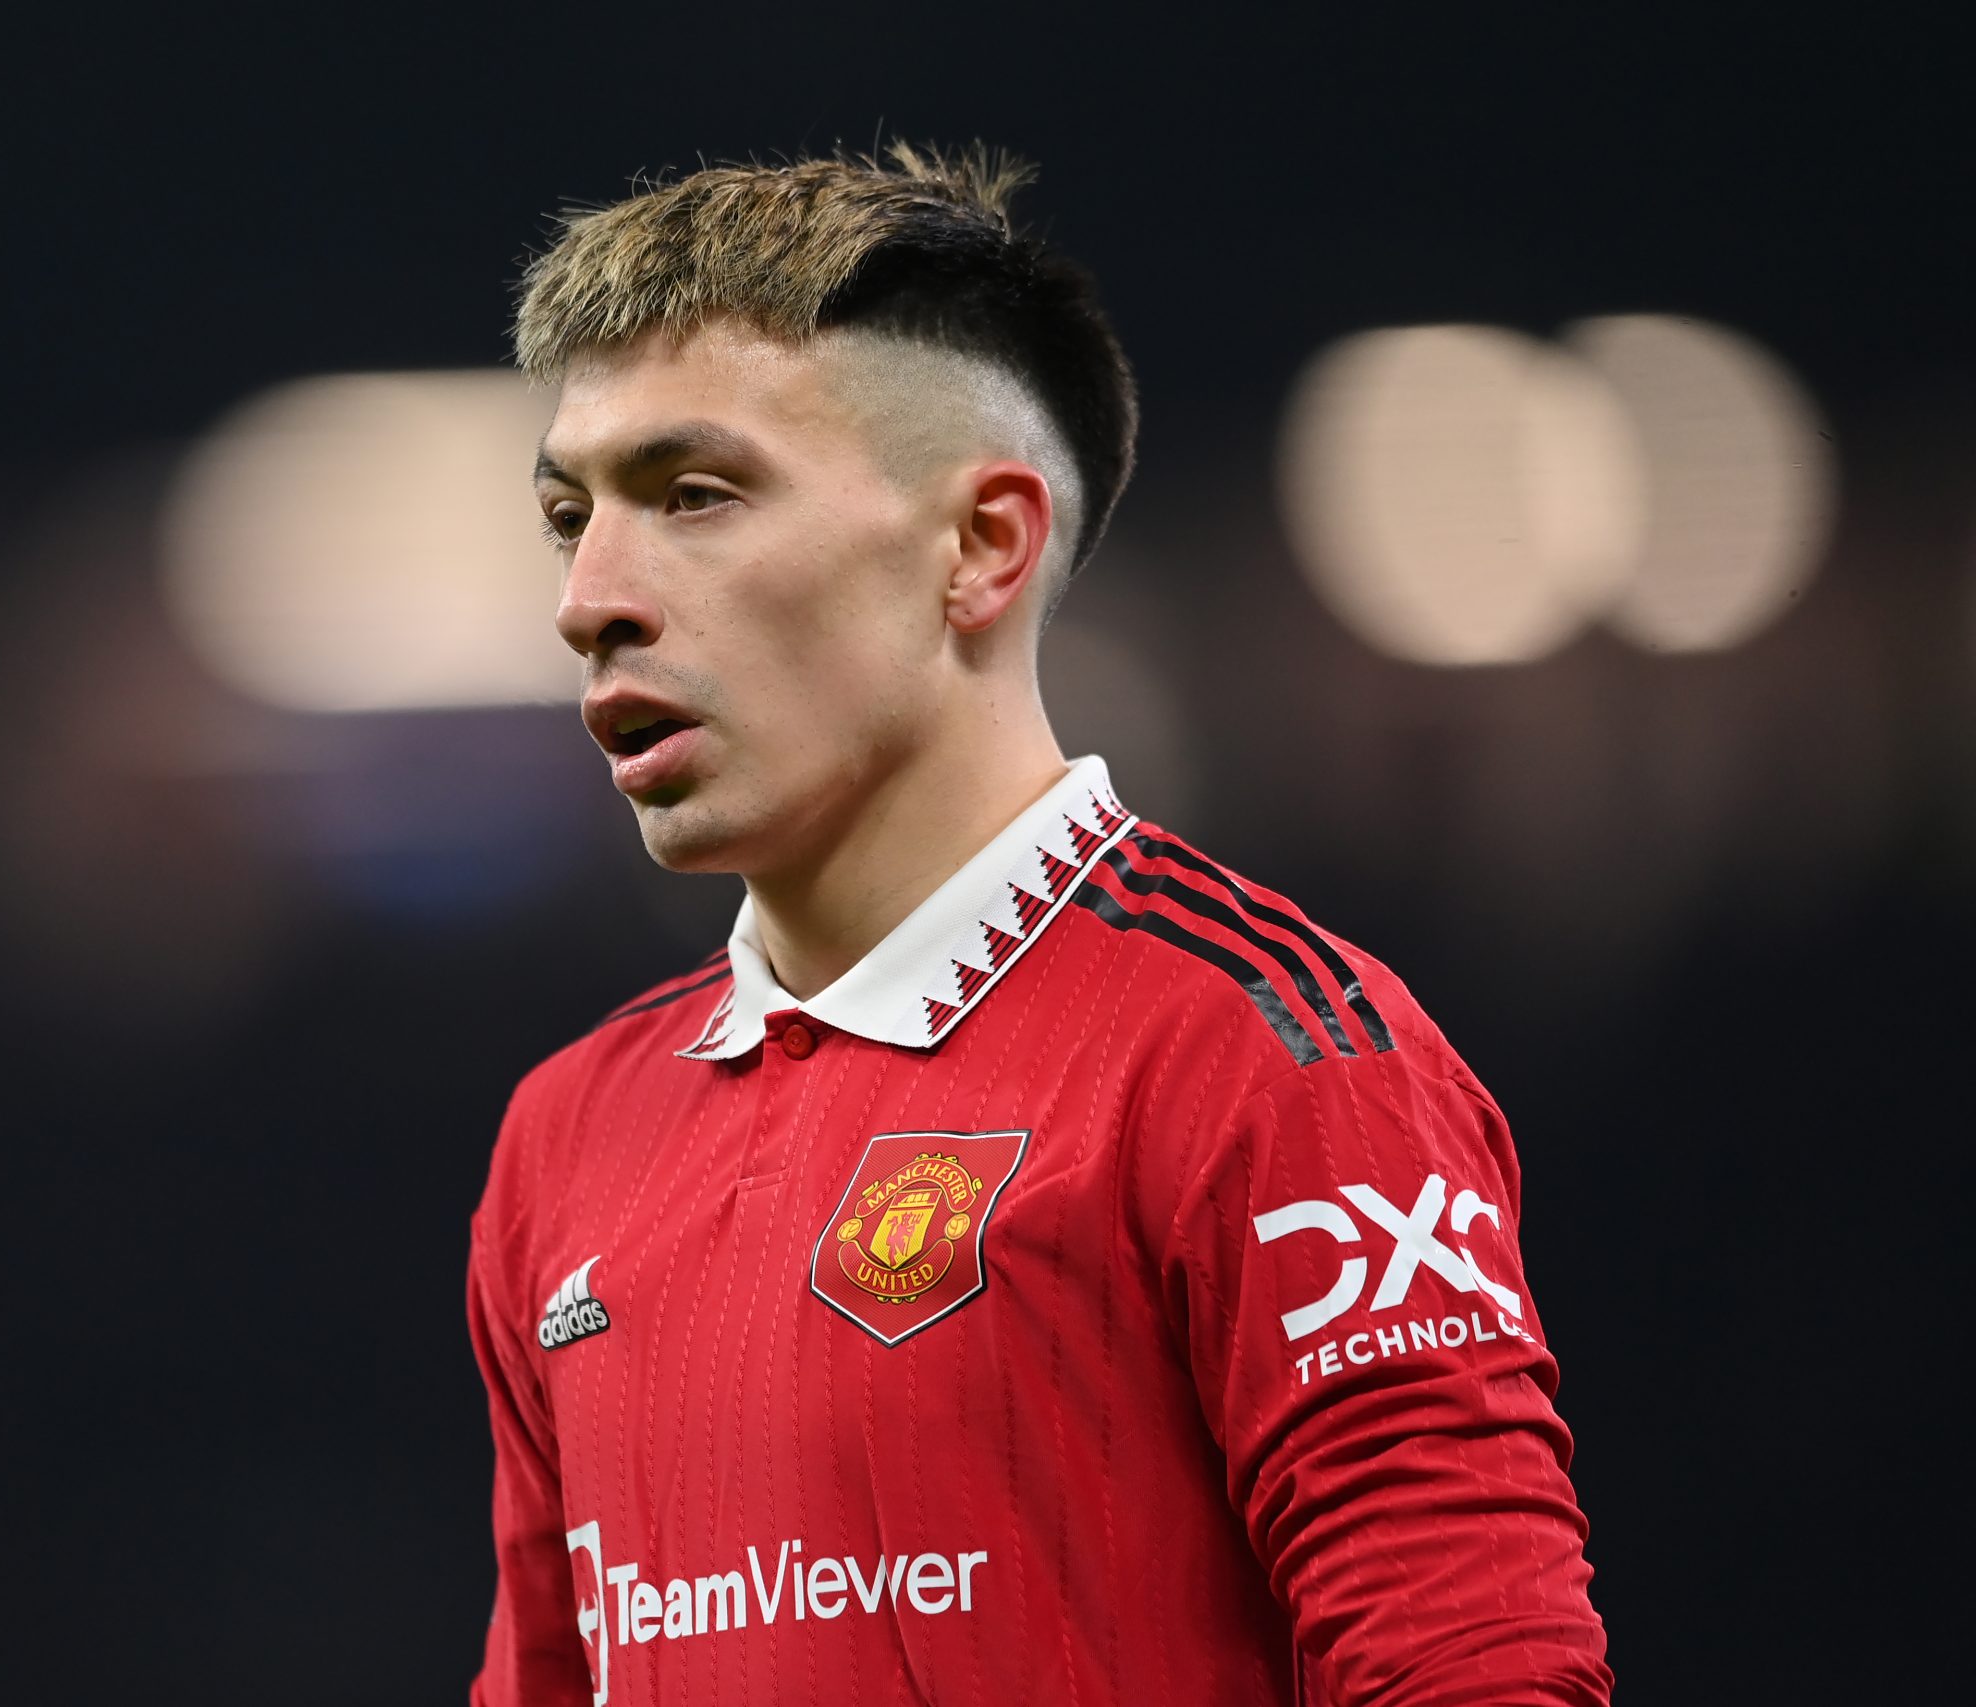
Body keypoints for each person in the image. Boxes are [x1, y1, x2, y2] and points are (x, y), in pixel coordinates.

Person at [467, 145, 1610, 1707]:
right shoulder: (564, 1134)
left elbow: (1476, 1678)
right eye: (566, 514)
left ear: (982, 548)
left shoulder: (1274, 1058)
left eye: (695, 496)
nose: (590, 594)